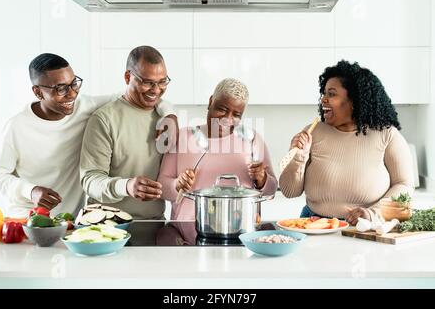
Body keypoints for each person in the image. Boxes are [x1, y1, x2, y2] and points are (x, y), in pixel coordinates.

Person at [0, 53, 176, 218]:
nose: (71, 94)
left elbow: (136, 94)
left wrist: (169, 113)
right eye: (61, 88)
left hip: (70, 220)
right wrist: (31, 191)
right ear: (38, 92)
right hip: (27, 219)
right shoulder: (17, 126)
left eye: (74, 84)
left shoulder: (85, 107)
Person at [279, 60, 415, 225]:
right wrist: (298, 158)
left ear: (354, 100)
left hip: (364, 228)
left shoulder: (387, 135)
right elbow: (289, 192)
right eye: (324, 93)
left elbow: (405, 185)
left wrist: (373, 213)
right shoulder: (312, 132)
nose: (323, 100)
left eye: (332, 94)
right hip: (313, 225)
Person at [158, 78, 278, 220]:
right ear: (210, 102)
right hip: (188, 230)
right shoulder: (182, 137)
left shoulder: (252, 139)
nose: (227, 119)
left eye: (236, 115)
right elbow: (161, 186)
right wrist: (176, 184)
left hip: (241, 227)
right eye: (222, 109)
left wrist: (262, 179)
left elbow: (271, 191)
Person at [80, 46, 178, 220]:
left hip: (154, 226)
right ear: (128, 77)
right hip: (107, 226)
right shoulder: (104, 119)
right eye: (147, 82)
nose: (156, 90)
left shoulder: (166, 119)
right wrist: (126, 186)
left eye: (162, 81)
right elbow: (90, 180)